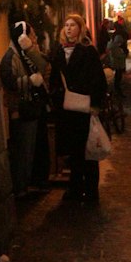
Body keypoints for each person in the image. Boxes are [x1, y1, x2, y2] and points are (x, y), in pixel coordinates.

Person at [50, 13, 108, 204]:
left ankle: (91, 192)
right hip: (67, 110)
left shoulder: (87, 50)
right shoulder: (59, 51)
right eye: (66, 25)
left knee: (88, 151)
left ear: (80, 28)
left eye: (72, 25)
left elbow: (98, 79)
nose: (68, 28)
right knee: (73, 152)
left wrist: (96, 104)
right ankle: (74, 189)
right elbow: (54, 78)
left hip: (83, 107)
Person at [0, 19, 50, 200]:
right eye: (31, 34)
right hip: (22, 110)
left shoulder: (27, 54)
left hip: (33, 108)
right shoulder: (10, 57)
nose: (34, 37)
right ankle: (20, 188)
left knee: (30, 149)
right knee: (22, 151)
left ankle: (30, 182)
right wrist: (29, 81)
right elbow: (9, 83)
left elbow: (44, 67)